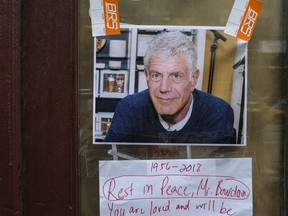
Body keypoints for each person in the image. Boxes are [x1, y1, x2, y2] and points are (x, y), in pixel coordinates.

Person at [104, 31, 235, 144]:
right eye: (156, 75)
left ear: (193, 79)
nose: (164, 88)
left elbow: (217, 170)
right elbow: (109, 164)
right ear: (147, 76)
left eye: (176, 76)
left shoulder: (217, 113)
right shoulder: (129, 109)